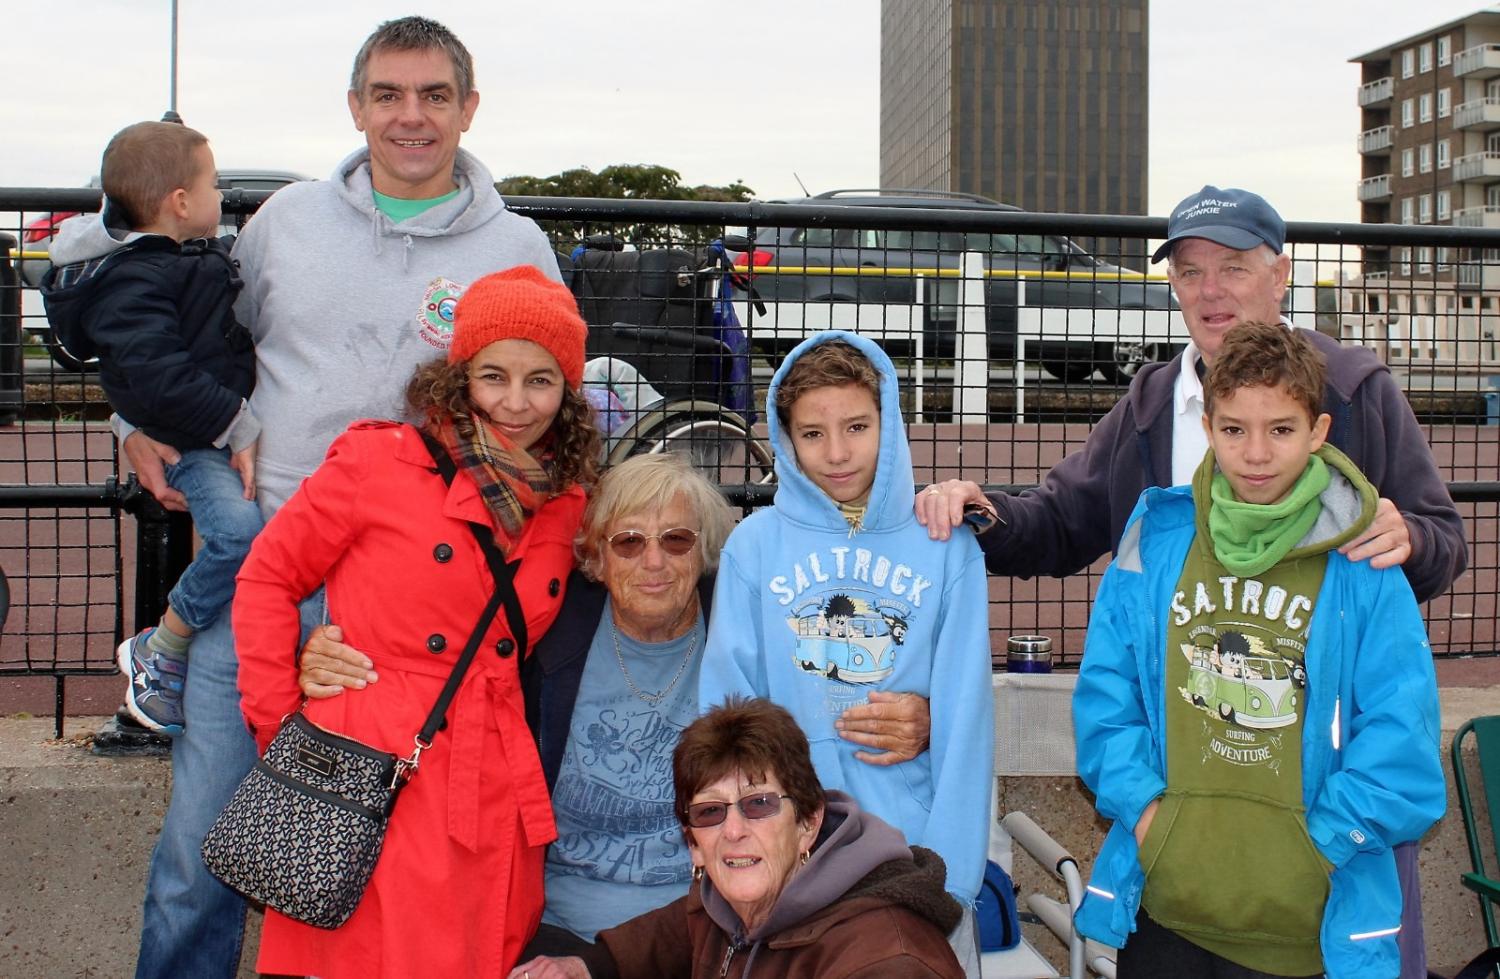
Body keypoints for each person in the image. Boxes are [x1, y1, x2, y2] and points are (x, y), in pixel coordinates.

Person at [916, 185, 1464, 977]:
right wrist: (984, 512)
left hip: (1322, 830)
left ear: (1280, 274)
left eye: (1233, 267)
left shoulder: (1351, 387)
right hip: (1185, 837)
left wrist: (1411, 536)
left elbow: (1439, 541)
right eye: (1190, 271)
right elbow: (1064, 519)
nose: (1211, 290)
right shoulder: (1153, 402)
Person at [122, 17, 565, 979]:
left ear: (469, 108)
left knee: (381, 857)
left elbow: (549, 401)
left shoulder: (518, 245)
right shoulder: (285, 222)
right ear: (356, 106)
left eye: (435, 95)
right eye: (389, 94)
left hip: (412, 610)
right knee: (203, 848)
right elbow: (192, 338)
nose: (412, 116)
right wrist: (138, 422)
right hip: (271, 569)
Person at [298, 452, 935, 956]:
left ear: (704, 552)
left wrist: (922, 718)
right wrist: (328, 654)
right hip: (555, 926)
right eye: (628, 542)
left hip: (711, 923)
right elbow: (437, 655)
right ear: (597, 558)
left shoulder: (745, 631)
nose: (654, 562)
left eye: (676, 540)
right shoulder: (546, 635)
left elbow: (836, 680)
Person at [232, 264, 597, 977]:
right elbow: (267, 578)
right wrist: (284, 730)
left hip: (493, 777)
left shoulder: (568, 502)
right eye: (493, 375)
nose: (515, 403)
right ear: (459, 376)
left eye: (540, 380)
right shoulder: (378, 461)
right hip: (369, 770)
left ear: (568, 391)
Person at [1072, 322, 1445, 978]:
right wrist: (1151, 819)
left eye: (1280, 429)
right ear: (1208, 428)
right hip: (1165, 907)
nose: (1256, 453)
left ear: (1318, 432)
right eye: (1234, 429)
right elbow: (1107, 696)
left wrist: (1316, 847)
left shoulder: (1364, 560)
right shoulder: (1155, 540)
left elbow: (1403, 741)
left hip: (1308, 926)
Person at [699, 331, 994, 974]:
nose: (836, 453)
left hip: (912, 859)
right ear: (785, 439)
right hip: (788, 858)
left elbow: (967, 719)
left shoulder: (946, 546)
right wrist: (741, 847)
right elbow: (725, 714)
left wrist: (952, 876)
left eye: (857, 427)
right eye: (812, 433)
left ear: (889, 422)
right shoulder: (753, 547)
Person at [41, 121, 261, 735]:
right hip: (194, 440)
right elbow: (159, 376)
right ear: (181, 202)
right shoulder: (137, 278)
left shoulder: (161, 262)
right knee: (240, 536)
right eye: (214, 185)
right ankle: (163, 646)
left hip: (196, 430)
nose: (223, 196)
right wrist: (238, 424)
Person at [510, 697, 966, 979]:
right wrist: (584, 967)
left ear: (808, 822)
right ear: (693, 843)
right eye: (710, 812)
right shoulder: (728, 905)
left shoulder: (887, 963)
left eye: (759, 804)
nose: (733, 831)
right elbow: (676, 933)